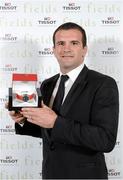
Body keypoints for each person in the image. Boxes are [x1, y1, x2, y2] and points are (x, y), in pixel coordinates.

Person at [8, 22, 119, 179]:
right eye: (60, 43)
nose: (66, 49)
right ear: (53, 50)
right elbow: (47, 131)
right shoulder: (47, 84)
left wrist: (55, 122)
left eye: (74, 43)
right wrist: (23, 120)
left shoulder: (103, 84)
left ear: (84, 50)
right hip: (51, 174)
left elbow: (105, 140)